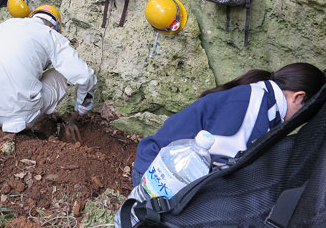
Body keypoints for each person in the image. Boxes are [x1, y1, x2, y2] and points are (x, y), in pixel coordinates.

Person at [131, 62, 326, 186]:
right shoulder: (255, 106)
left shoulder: (260, 99)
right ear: (298, 97)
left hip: (161, 164)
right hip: (156, 175)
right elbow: (221, 167)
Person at [0, 5, 97, 138]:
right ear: (54, 28)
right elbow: (86, 76)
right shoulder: (50, 35)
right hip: (17, 118)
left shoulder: (7, 25)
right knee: (62, 74)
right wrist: (77, 114)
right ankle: (22, 131)